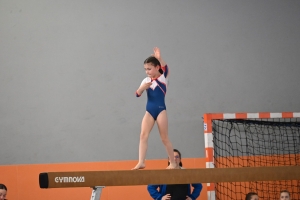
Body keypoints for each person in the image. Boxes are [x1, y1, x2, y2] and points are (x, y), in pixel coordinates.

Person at [132, 47, 176, 170]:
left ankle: (172, 162)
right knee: (143, 135)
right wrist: (142, 88)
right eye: (145, 69)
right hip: (149, 111)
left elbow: (165, 68)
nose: (147, 71)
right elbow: (137, 94)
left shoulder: (163, 78)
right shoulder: (146, 80)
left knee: (164, 138)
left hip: (161, 110)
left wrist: (159, 58)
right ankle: (141, 162)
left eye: (149, 69)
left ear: (157, 68)